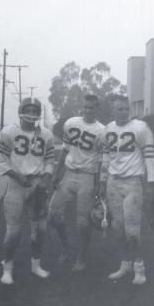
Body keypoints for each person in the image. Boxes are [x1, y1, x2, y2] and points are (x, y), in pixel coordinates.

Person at [99, 95, 154, 284]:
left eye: (126, 108)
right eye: (119, 109)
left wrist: (151, 184)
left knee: (132, 230)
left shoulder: (141, 127)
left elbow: (149, 157)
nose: (124, 112)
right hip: (113, 183)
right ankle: (125, 264)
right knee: (117, 227)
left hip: (133, 182)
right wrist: (102, 180)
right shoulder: (108, 129)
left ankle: (139, 268)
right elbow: (106, 156)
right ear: (112, 111)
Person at [0, 97, 55, 284]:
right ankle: (7, 268)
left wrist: (46, 179)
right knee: (13, 231)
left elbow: (49, 160)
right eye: (27, 110)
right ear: (21, 110)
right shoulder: (9, 132)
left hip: (37, 183)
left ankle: (36, 265)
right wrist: (19, 177)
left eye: (34, 111)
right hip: (16, 183)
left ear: (38, 113)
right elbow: (2, 162)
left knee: (41, 230)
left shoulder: (46, 134)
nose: (31, 114)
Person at [49, 94, 104, 271]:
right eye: (85, 107)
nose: (88, 110)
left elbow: (102, 161)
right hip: (69, 174)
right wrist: (57, 174)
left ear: (97, 108)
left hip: (87, 176)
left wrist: (99, 185)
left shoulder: (102, 130)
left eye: (92, 107)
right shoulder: (72, 123)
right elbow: (64, 151)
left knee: (83, 222)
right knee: (53, 214)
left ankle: (81, 256)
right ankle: (65, 246)